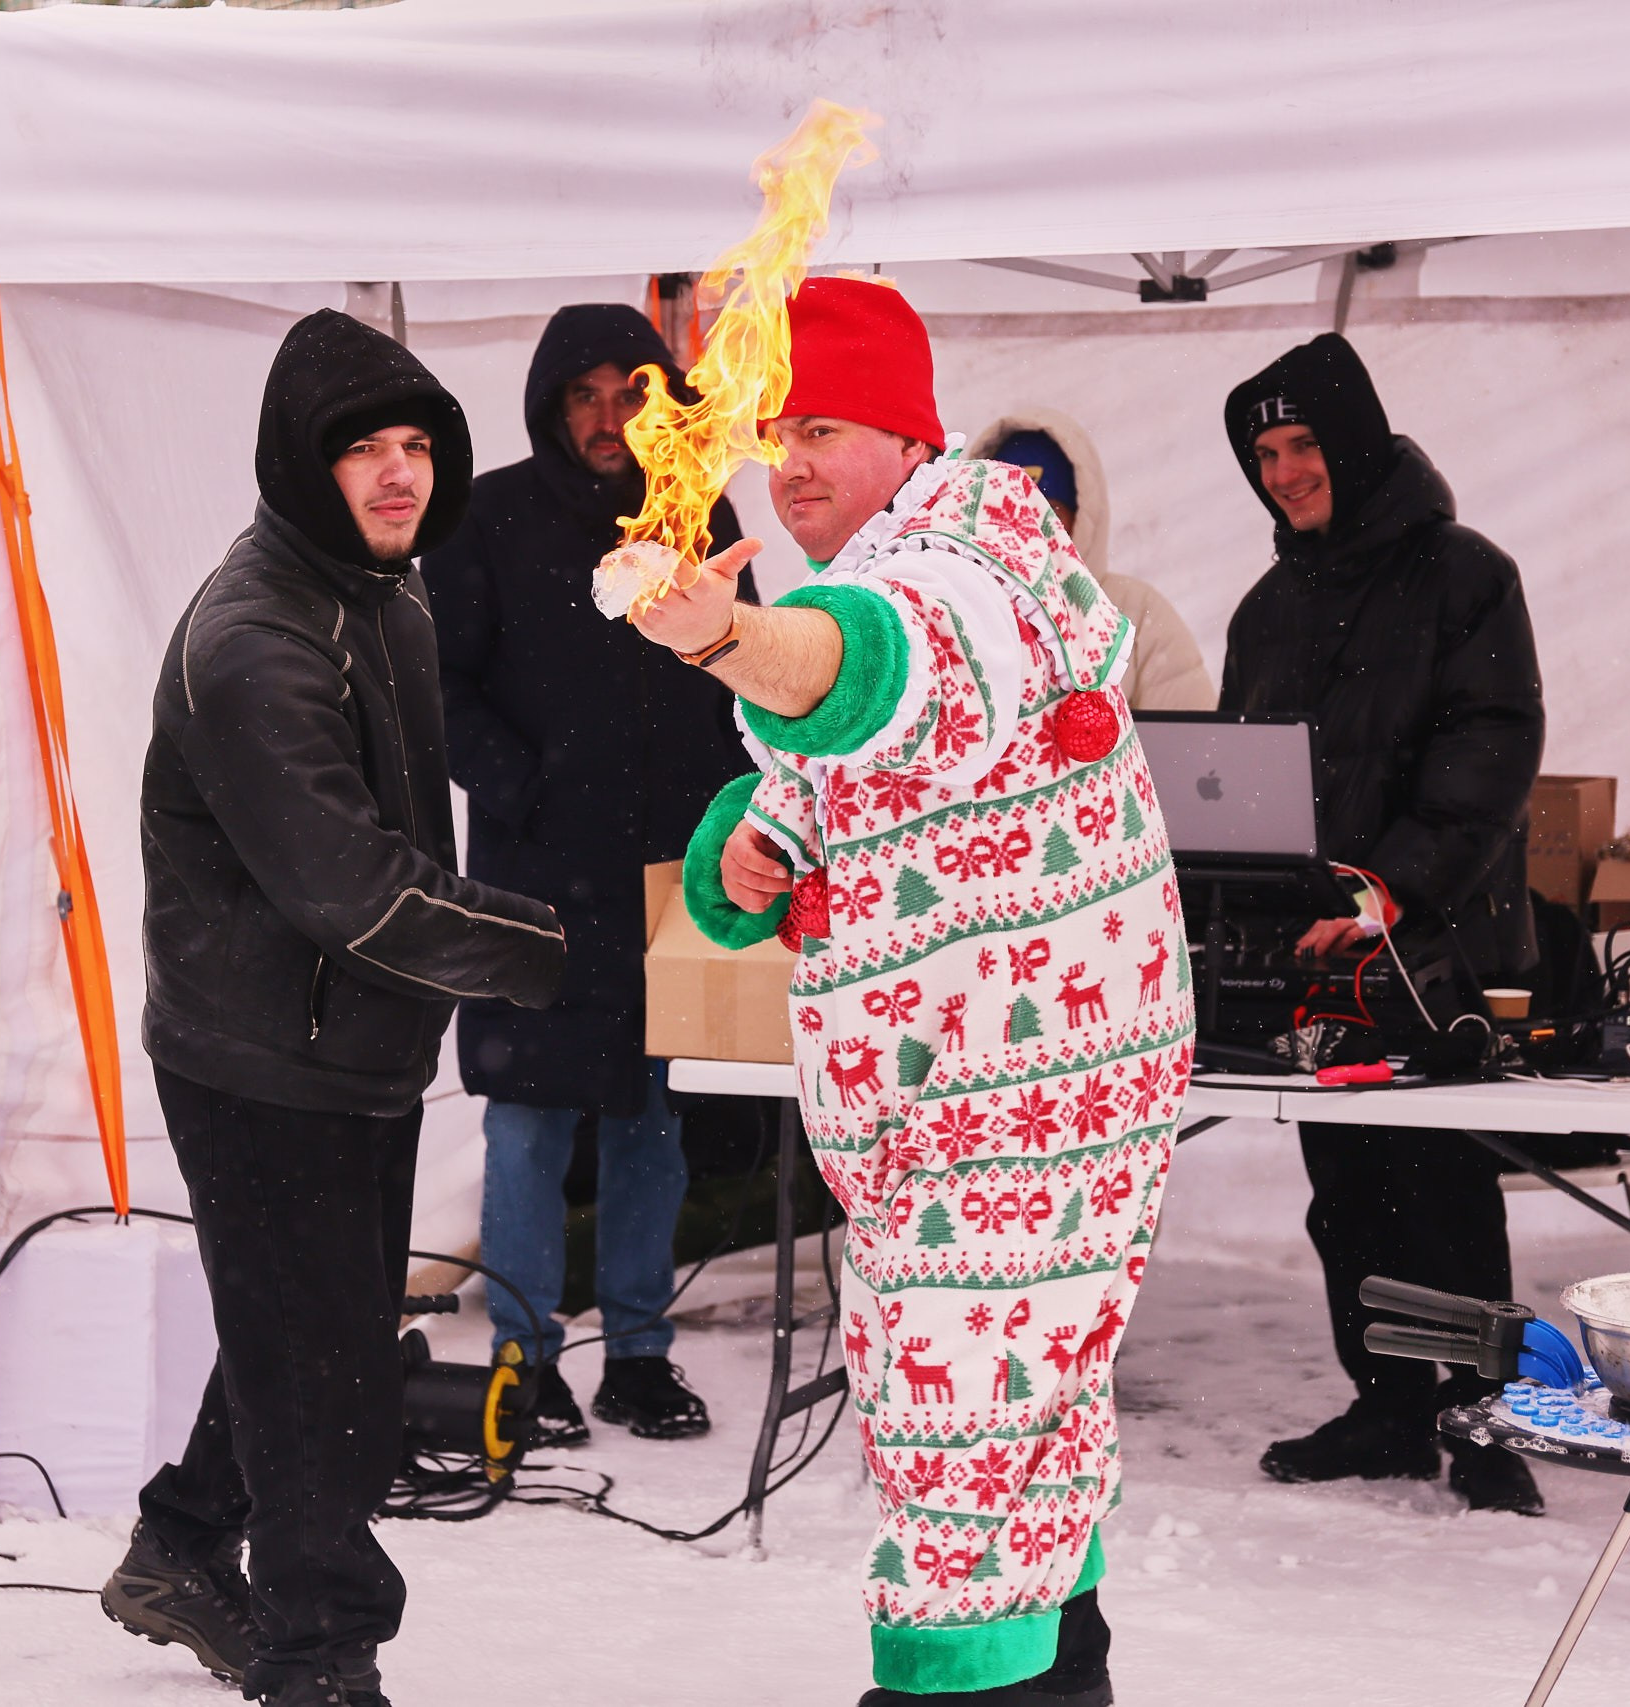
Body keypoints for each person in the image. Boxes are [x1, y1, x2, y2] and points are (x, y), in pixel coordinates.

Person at [633, 277, 1194, 1707]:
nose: (790, 462)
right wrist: (743, 852)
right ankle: (1060, 1682)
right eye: (774, 430)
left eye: (822, 425)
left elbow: (862, 670)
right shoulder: (906, 566)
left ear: (903, 437)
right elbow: (809, 786)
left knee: (964, 1473)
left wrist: (722, 637)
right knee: (1017, 1444)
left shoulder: (963, 577)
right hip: (944, 1129)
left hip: (1015, 1125)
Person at [104, 309, 566, 1707]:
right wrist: (547, 949)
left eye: (417, 444)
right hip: (259, 1056)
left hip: (356, 1041)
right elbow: (351, 884)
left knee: (312, 1328)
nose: (397, 473)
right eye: (363, 448)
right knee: (327, 1377)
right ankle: (321, 1656)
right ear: (301, 466)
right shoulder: (255, 637)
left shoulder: (392, 590)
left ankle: (184, 1541)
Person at [1216, 332, 1547, 1515]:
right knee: (1345, 1188)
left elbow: (1492, 743)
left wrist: (1386, 887)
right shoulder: (1264, 608)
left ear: (1353, 443)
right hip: (1319, 963)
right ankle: (1390, 1408)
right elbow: (1240, 781)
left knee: (1443, 1189)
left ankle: (1483, 1420)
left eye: (1303, 445)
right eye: (1264, 452)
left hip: (1432, 953)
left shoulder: (1464, 573)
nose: (1286, 471)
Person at [426, 304, 750, 1446]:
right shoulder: (487, 518)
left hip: (665, 879)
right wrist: (524, 789)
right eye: (584, 395)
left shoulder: (696, 511)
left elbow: (738, 672)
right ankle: (525, 1359)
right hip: (532, 886)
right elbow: (437, 687)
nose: (609, 418)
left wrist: (724, 816)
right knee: (525, 1124)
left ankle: (640, 1356)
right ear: (550, 405)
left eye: (629, 393)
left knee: (650, 1125)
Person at [973, 413, 1213, 711]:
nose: (1027, 530)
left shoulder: (1136, 615)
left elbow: (1191, 751)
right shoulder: (959, 617)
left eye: (1049, 513)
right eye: (1008, 512)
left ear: (1083, 517)